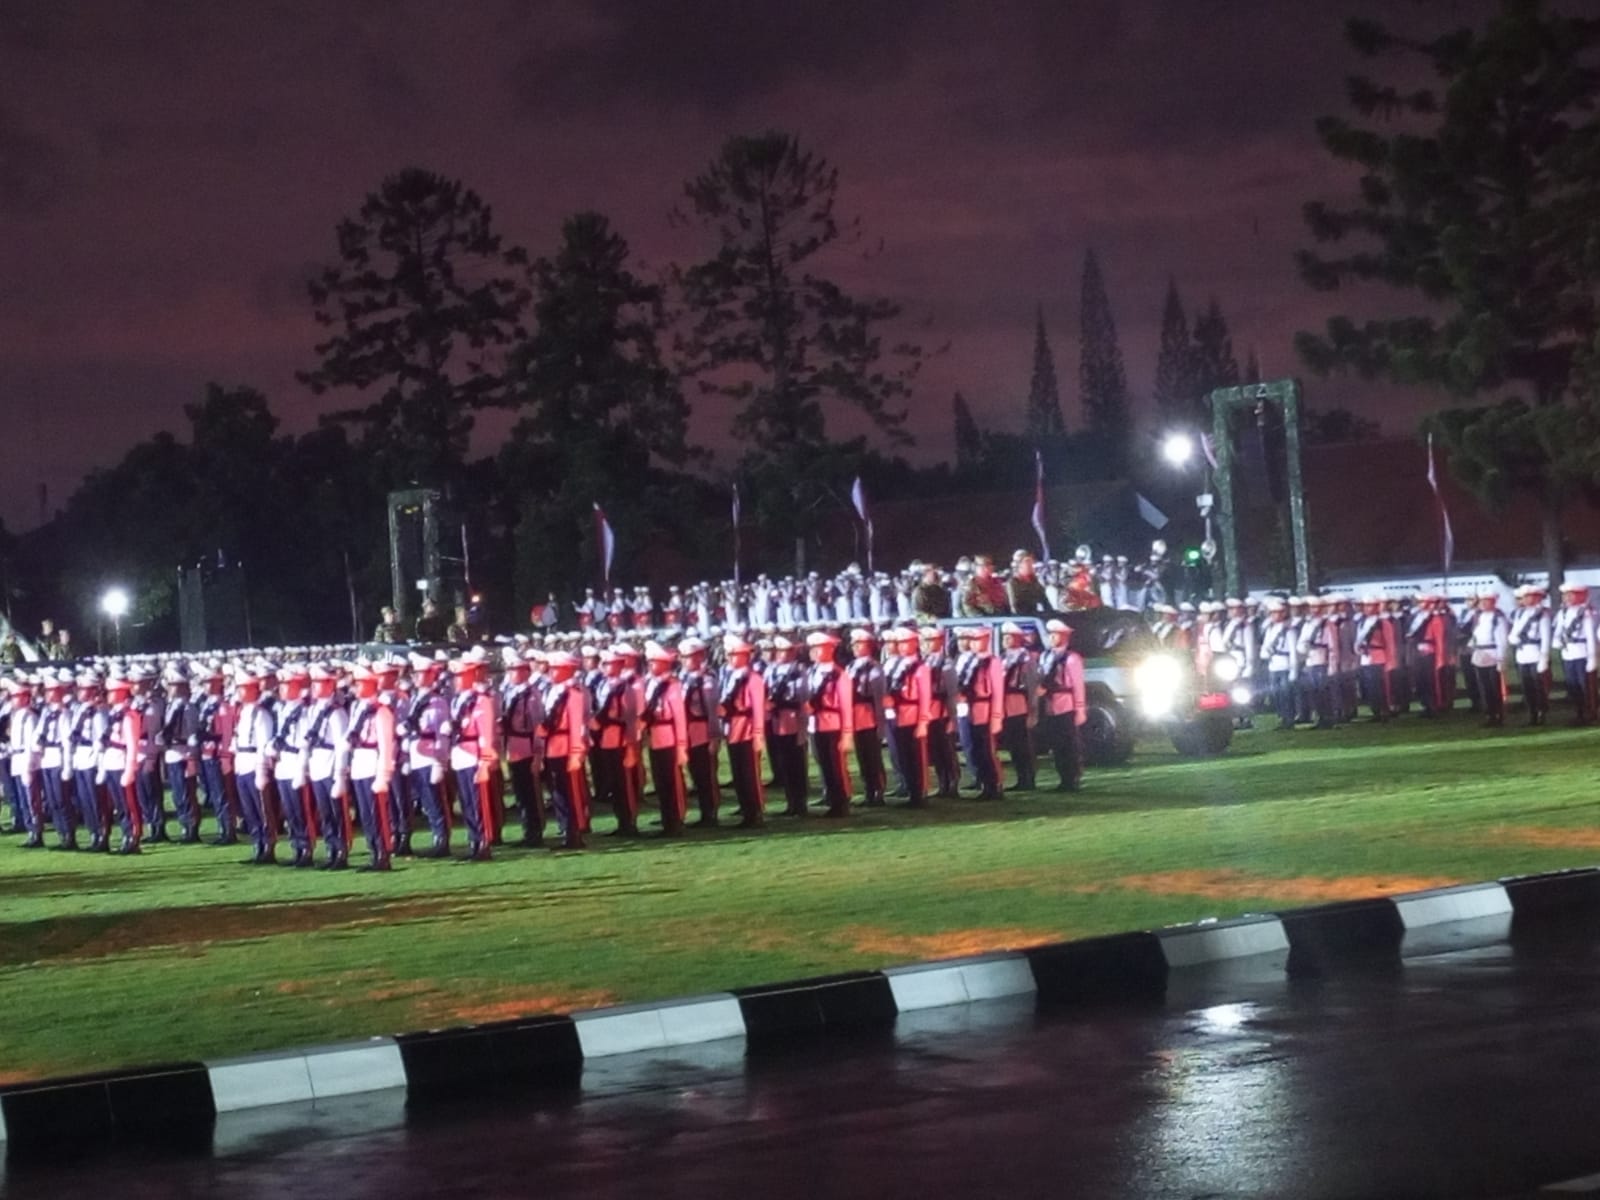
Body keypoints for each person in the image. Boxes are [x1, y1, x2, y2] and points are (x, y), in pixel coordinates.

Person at [447, 658, 500, 860]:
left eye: (460, 676)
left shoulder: (481, 700)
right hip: (460, 754)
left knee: (479, 803)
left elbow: (486, 733)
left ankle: (484, 843)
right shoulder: (457, 700)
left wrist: (485, 762)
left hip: (473, 754)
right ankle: (473, 841)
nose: (456, 680)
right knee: (467, 802)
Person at [401, 655, 452, 857]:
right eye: (415, 673)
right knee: (425, 799)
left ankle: (442, 839)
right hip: (416, 752)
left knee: (436, 799)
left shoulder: (437, 701)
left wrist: (441, 761)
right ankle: (436, 835)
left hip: (431, 754)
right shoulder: (415, 699)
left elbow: (442, 731)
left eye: (420, 673)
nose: (415, 677)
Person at [540, 651, 589, 849]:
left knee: (571, 792)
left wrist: (577, 752)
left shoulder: (574, 693)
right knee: (558, 791)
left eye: (556, 668)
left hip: (567, 746)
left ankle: (575, 832)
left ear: (568, 670)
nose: (551, 672)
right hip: (553, 746)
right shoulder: (554, 690)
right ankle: (565, 828)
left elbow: (577, 725)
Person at [304, 665, 351, 870]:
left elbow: (342, 744)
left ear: (330, 685)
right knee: (324, 813)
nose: (314, 687)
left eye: (319, 683)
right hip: (317, 765)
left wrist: (340, 773)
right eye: (313, 683)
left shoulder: (336, 712)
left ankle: (341, 850)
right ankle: (331, 848)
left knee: (337, 812)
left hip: (331, 765)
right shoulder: (314, 709)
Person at [641, 642, 689, 837]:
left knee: (671, 782)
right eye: (650, 662)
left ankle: (675, 820)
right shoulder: (651, 683)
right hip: (655, 737)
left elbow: (679, 717)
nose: (650, 665)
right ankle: (667, 819)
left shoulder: (672, 685)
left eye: (654, 662)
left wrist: (682, 746)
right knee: (660, 782)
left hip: (669, 737)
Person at [231, 668, 278, 865]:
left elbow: (263, 744)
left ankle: (268, 845)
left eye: (244, 688)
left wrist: (261, 770)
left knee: (262, 808)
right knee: (249, 809)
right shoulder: (243, 713)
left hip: (254, 764)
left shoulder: (261, 715)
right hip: (242, 763)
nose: (240, 692)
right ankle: (257, 843)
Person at [271, 665, 317, 867]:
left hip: (296, 762)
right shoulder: (282, 709)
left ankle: (306, 847)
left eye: (286, 685)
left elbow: (305, 744)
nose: (281, 689)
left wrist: (302, 769)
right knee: (289, 810)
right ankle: (296, 846)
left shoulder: (304, 712)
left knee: (301, 810)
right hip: (283, 763)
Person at [806, 630, 854, 817]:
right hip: (815, 724)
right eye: (813, 648)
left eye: (818, 648)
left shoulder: (838, 675)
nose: (814, 652)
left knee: (835, 766)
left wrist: (847, 734)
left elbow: (845, 705)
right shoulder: (813, 671)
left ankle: (841, 802)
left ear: (830, 649)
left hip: (832, 725)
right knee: (823, 763)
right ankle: (831, 797)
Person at [501, 651, 546, 847]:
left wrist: (538, 755)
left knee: (530, 793)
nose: (511, 673)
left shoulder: (532, 695)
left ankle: (535, 832)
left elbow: (538, 726)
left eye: (515, 670)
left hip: (527, 747)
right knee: (520, 792)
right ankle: (527, 830)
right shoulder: (511, 691)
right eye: (510, 670)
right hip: (513, 747)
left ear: (525, 672)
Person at [956, 624, 1005, 800]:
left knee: (985, 750)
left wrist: (997, 717)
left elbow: (998, 692)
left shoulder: (992, 662)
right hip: (965, 708)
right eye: (973, 640)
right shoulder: (965, 659)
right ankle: (982, 781)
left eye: (978, 640)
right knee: (970, 748)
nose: (975, 643)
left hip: (982, 710)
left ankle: (994, 785)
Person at [1038, 619, 1087, 791]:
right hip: (1050, 705)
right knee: (1057, 745)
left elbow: (1078, 686)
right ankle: (1063, 778)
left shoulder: (1072, 658)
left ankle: (1072, 778)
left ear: (1064, 636)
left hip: (1066, 705)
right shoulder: (1046, 656)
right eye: (1050, 634)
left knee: (1069, 745)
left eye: (1055, 634)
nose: (1051, 638)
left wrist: (1080, 710)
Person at [678, 637, 723, 826]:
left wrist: (714, 736)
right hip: (687, 731)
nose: (686, 661)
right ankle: (704, 812)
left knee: (706, 774)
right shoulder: (683, 677)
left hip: (702, 731)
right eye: (685, 657)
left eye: (691, 657)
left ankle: (710, 813)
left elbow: (712, 710)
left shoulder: (707, 679)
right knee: (695, 772)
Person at [884, 628, 931, 807]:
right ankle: (911, 791)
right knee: (902, 756)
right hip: (896, 715)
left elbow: (925, 698)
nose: (902, 647)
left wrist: (923, 722)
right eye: (900, 643)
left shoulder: (920, 667)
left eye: (905, 643)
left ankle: (919, 793)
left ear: (914, 644)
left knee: (916, 758)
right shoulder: (897, 665)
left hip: (912, 716)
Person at [100, 676, 144, 854]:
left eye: (111, 692)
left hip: (121, 763)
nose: (108, 695)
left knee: (128, 805)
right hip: (111, 762)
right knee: (118, 804)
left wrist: (130, 769)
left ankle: (133, 837)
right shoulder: (113, 714)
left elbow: (133, 745)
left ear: (120, 693)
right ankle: (125, 834)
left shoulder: (129, 715)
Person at [846, 629, 888, 807]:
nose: (855, 647)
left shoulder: (874, 668)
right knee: (862, 756)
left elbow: (879, 699)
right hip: (855, 717)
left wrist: (881, 723)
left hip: (869, 717)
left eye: (859, 644)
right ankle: (868, 790)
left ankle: (878, 791)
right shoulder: (851, 666)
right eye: (854, 644)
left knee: (872, 756)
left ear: (869, 646)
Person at [160, 666, 202, 843]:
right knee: (178, 795)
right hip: (172, 753)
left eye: (174, 685)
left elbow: (191, 732)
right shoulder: (171, 706)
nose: (171, 689)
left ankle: (191, 827)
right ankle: (185, 824)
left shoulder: (188, 708)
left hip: (184, 753)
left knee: (187, 793)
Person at [919, 626, 961, 798]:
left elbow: (951, 693)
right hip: (930, 713)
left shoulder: (946, 664)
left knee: (947, 750)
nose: (925, 645)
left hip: (942, 712)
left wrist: (953, 717)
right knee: (936, 750)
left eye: (929, 641)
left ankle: (952, 782)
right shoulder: (925, 663)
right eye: (924, 642)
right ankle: (942, 782)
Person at [998, 621, 1038, 790]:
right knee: (1013, 746)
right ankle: (1021, 778)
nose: (1006, 640)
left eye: (1009, 637)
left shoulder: (1026, 659)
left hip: (1019, 706)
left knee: (1023, 746)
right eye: (1004, 637)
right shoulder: (1002, 658)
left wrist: (1032, 712)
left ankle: (1028, 779)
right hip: (1005, 707)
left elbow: (1032, 687)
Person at [1510, 585, 1553, 726]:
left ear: (1537, 598)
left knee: (1538, 686)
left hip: (1536, 653)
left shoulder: (1542, 614)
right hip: (1522, 653)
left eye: (1530, 596)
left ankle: (1541, 712)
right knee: (1526, 686)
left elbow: (1546, 638)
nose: (1527, 599)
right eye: (1525, 597)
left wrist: (1544, 657)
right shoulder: (1519, 613)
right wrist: (1512, 638)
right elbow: (1514, 632)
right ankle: (1532, 712)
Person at [1554, 582, 1597, 725]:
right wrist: (1557, 640)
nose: (1567, 598)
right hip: (1568, 653)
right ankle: (1578, 712)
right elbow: (1559, 630)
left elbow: (1591, 636)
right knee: (1572, 685)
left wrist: (1592, 658)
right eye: (1565, 595)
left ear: (1580, 595)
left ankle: (1591, 713)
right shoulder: (1563, 613)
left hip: (1582, 653)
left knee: (1585, 686)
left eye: (1571, 594)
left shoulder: (1586, 612)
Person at [1467, 589, 1511, 727]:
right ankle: (1489, 714)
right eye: (1481, 601)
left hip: (1492, 654)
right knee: (1484, 688)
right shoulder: (1479, 617)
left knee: (1494, 688)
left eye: (1486, 601)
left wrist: (1501, 659)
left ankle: (1498, 715)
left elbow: (1502, 640)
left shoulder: (1497, 618)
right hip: (1480, 654)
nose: (1483, 604)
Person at [1259, 599, 1297, 731]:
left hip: (1285, 665)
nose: (1275, 616)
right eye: (1273, 613)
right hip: (1273, 664)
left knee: (1286, 694)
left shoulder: (1288, 630)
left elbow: (1293, 651)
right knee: (1277, 695)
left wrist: (1294, 670)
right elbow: (1265, 645)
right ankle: (1282, 717)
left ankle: (1289, 719)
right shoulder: (1270, 629)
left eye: (1278, 613)